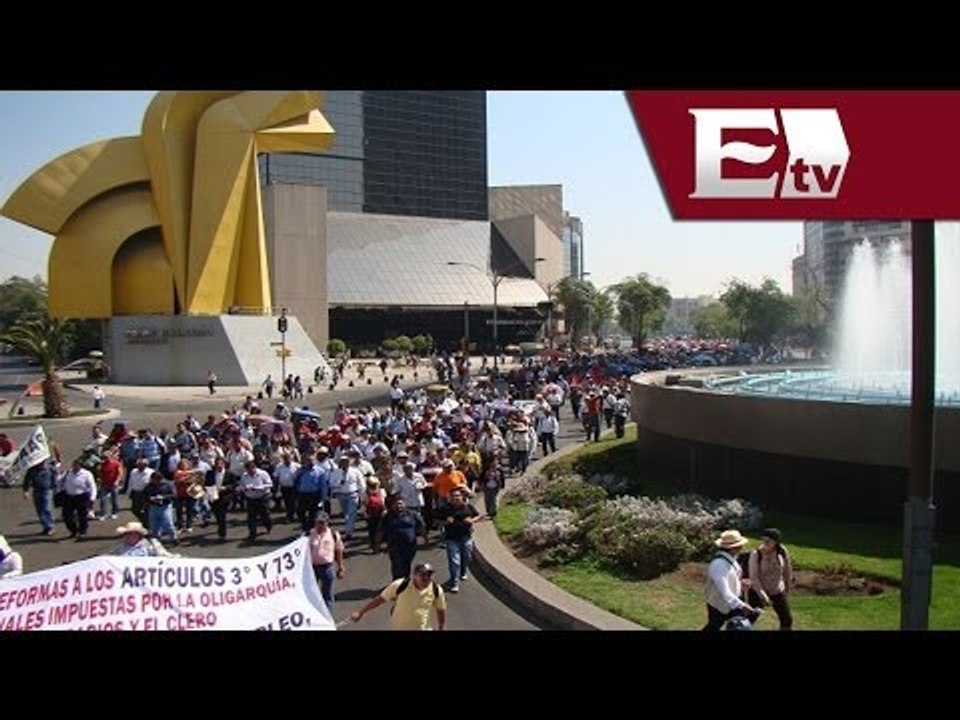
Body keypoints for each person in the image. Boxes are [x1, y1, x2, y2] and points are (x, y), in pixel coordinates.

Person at [350, 562, 446, 631]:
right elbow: (380, 599)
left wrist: (441, 627)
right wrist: (360, 612)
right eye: (423, 575)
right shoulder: (400, 585)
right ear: (414, 575)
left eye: (430, 575)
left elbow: (441, 609)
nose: (426, 578)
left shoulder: (436, 590)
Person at [703, 529, 762, 631]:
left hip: (731, 603)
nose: (742, 547)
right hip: (719, 604)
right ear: (733, 548)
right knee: (714, 626)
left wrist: (740, 583)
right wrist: (742, 605)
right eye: (740, 545)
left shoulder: (731, 559)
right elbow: (724, 591)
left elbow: (729, 578)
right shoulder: (719, 564)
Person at [744, 528, 794, 630]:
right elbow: (754, 577)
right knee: (750, 619)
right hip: (757, 591)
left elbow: (787, 570)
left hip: (776, 590)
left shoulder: (782, 551)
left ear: (776, 542)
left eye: (768, 541)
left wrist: (787, 588)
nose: (764, 543)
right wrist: (762, 594)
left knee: (787, 619)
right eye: (763, 540)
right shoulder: (756, 554)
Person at [308, 512, 345, 612]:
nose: (319, 525)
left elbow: (339, 550)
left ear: (327, 523)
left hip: (327, 568)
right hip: (312, 569)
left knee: (327, 594)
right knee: (311, 593)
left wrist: (340, 567)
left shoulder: (333, 534)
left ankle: (327, 617)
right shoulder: (309, 534)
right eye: (317, 523)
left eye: (322, 523)